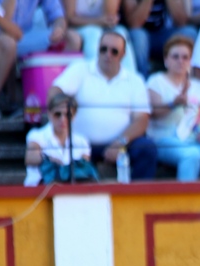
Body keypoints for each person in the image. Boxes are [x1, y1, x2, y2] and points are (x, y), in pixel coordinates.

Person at [49, 29, 158, 179]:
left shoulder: (135, 80)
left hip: (121, 143)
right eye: (103, 49)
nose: (108, 54)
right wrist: (61, 109)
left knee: (147, 148)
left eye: (114, 51)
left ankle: (140, 199)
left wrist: (120, 143)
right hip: (81, 144)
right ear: (97, 49)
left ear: (123, 55)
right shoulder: (81, 68)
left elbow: (142, 120)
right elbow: (55, 91)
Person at [146, 33, 200, 181]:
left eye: (185, 57)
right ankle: (186, 203)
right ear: (166, 60)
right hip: (164, 139)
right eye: (175, 56)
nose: (181, 61)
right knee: (191, 155)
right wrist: (174, 103)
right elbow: (153, 113)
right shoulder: (156, 81)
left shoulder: (199, 86)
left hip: (195, 140)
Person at [23, 90, 90, 184]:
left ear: (74, 116)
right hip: (39, 192)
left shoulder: (81, 140)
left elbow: (85, 169)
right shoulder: (36, 135)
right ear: (49, 114)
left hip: (72, 192)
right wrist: (49, 159)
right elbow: (30, 157)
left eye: (68, 115)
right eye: (57, 114)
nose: (62, 119)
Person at [64, 0, 136, 75]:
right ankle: (94, 77)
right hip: (77, 27)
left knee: (120, 32)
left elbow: (110, 17)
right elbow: (69, 18)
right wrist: (97, 21)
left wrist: (102, 21)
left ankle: (130, 79)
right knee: (93, 33)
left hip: (102, 26)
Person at [14, 0, 82, 59]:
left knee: (72, 38)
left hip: (27, 35)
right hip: (6, 35)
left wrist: (59, 28)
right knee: (8, 43)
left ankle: (57, 73)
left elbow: (57, 15)